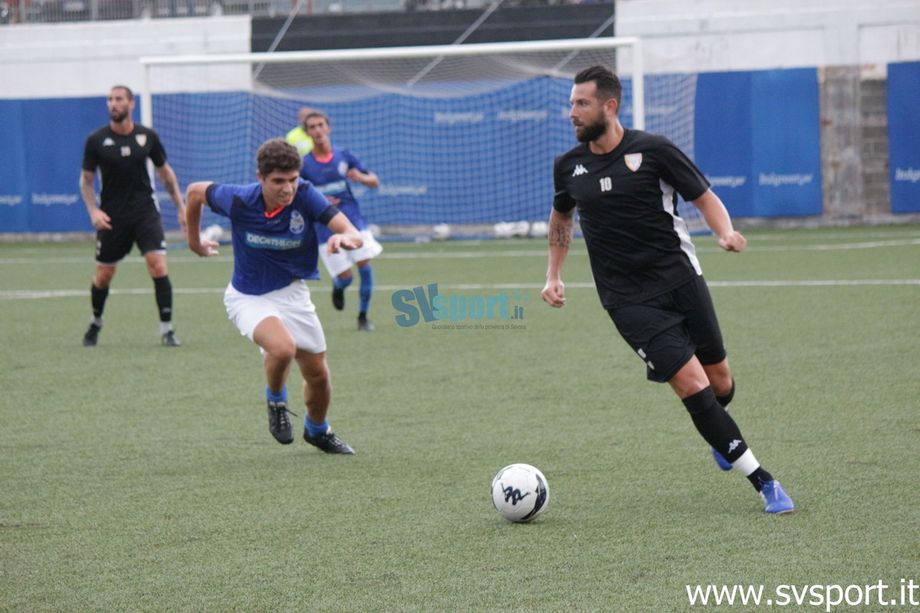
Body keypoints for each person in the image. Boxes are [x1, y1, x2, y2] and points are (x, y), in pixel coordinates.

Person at [542, 65, 794, 514]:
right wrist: (553, 275)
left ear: (609, 106)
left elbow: (703, 197)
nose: (572, 113)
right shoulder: (568, 166)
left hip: (681, 280)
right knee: (692, 384)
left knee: (721, 381)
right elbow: (562, 219)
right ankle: (764, 481)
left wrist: (725, 232)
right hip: (627, 301)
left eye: (581, 103)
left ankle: (721, 434)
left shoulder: (653, 150)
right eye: (571, 104)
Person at [185, 138, 361, 454]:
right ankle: (276, 401)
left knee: (318, 376)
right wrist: (194, 241)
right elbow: (194, 192)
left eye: (292, 179)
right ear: (261, 178)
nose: (287, 188)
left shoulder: (306, 195)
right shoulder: (239, 199)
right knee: (282, 349)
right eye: (278, 181)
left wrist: (344, 238)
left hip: (293, 294)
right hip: (247, 296)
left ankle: (318, 430)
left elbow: (351, 231)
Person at [80, 84, 186, 347]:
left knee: (158, 266)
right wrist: (94, 210)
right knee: (104, 276)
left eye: (118, 99)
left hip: (144, 213)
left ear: (131, 103)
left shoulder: (147, 137)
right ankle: (96, 322)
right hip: (112, 217)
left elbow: (165, 174)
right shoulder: (96, 140)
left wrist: (181, 208)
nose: (113, 104)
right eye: (110, 99)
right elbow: (86, 180)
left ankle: (167, 329)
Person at [300, 110, 383, 332]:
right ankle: (339, 287)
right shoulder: (304, 165)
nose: (317, 130)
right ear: (307, 133)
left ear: (328, 128)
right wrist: (318, 200)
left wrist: (361, 178)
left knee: (365, 265)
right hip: (325, 227)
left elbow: (374, 181)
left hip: (353, 221)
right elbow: (296, 195)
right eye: (312, 127)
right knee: (346, 277)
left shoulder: (344, 156)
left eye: (320, 125)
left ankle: (363, 317)